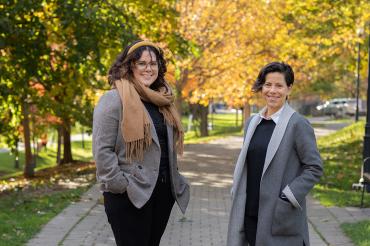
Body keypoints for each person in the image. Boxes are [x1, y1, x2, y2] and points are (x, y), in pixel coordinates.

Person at [92, 40, 190, 246]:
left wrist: (176, 179)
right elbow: (102, 150)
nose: (149, 68)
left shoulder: (162, 100)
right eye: (142, 63)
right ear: (130, 66)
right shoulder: (114, 99)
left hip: (162, 193)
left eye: (153, 64)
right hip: (129, 194)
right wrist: (120, 185)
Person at [227, 62, 323, 246]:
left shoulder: (297, 124)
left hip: (279, 214)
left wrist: (289, 196)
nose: (272, 91)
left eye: (279, 85)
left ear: (289, 89)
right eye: (268, 84)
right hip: (249, 211)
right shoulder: (252, 123)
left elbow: (314, 167)